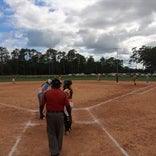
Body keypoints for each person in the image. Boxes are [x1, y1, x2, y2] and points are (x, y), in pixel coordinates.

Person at [41, 78, 71, 156]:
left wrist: (41, 114)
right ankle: (58, 147)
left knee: (51, 133)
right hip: (60, 115)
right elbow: (68, 106)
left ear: (51, 85)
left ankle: (54, 151)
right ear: (59, 85)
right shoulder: (63, 94)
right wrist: (69, 116)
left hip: (50, 115)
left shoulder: (46, 93)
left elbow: (41, 104)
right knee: (60, 132)